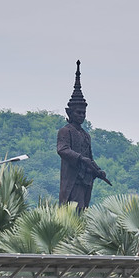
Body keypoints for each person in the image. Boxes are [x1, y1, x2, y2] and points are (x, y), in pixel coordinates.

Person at [57, 61, 109, 211]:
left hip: (86, 179)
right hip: (73, 180)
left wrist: (97, 170)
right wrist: (80, 158)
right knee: (74, 209)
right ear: (69, 113)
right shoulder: (65, 131)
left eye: (83, 113)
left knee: (84, 210)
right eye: (78, 112)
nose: (81, 116)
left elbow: (90, 157)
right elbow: (62, 149)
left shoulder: (86, 135)